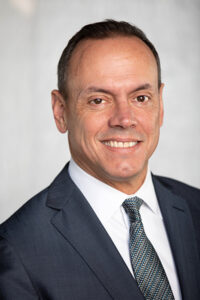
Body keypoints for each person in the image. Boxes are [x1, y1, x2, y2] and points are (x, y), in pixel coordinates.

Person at [0, 20, 199, 300]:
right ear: (60, 111)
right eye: (98, 100)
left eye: (141, 97)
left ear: (160, 105)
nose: (124, 119)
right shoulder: (16, 250)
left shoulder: (195, 208)